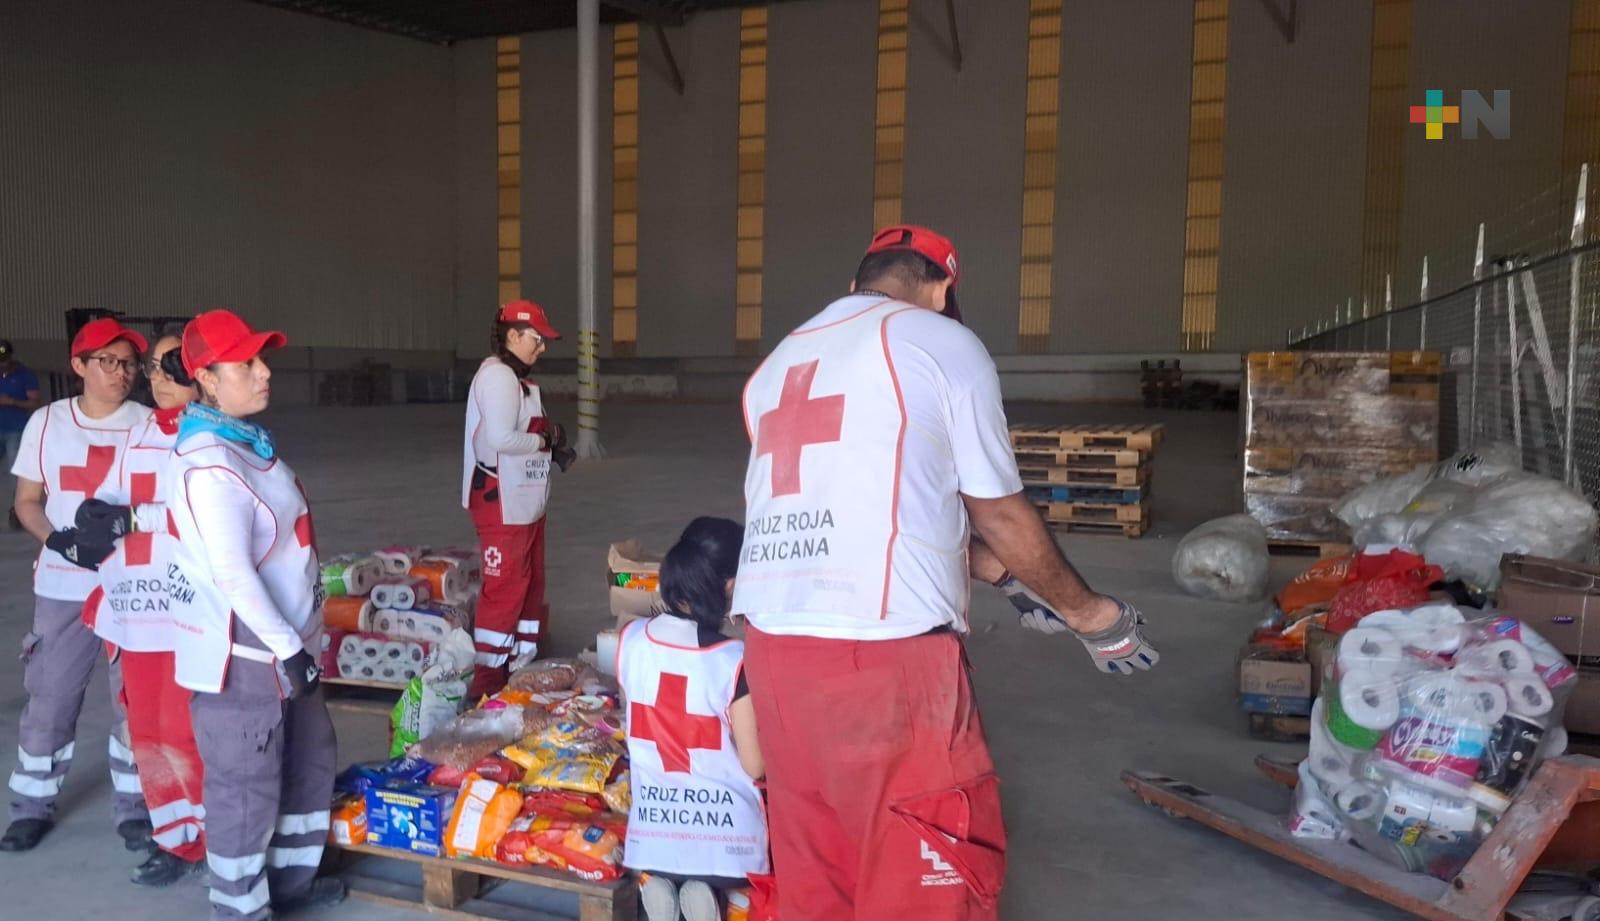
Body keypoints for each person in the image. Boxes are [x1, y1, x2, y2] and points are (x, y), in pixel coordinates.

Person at [733, 225, 1160, 920]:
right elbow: (996, 510)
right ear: (940, 289)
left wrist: (1009, 580)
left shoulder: (778, 363)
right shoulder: (939, 340)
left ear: (856, 287)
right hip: (885, 663)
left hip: (773, 661)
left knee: (819, 880)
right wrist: (1091, 615)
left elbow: (881, 509)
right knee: (925, 878)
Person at [163, 310, 342, 920]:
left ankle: (291, 883)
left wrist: (303, 644)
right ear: (208, 379)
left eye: (263, 359)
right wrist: (288, 650)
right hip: (249, 659)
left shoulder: (245, 444)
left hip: (292, 647)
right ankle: (241, 905)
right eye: (246, 364)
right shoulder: (209, 464)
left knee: (306, 764)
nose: (264, 373)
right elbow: (232, 573)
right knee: (246, 787)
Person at [1, 318, 152, 853]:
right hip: (63, 585)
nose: (120, 373)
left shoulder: (149, 425)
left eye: (129, 363)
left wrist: (128, 523)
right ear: (79, 366)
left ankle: (136, 807)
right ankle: (31, 805)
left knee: (134, 700)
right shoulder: (47, 422)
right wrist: (59, 542)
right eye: (107, 361)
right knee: (51, 695)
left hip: (132, 584)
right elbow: (26, 502)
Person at [80, 334, 205, 886]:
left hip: (188, 616)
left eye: (172, 365)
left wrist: (134, 519)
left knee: (187, 733)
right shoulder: (141, 433)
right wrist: (93, 513)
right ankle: (173, 839)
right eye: (152, 366)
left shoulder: (218, 438)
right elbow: (110, 495)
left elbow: (207, 516)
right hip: (138, 614)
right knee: (149, 732)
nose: (157, 377)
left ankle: (210, 840)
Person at [617, 517, 768, 921]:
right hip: (727, 846)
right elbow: (755, 764)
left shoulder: (630, 641)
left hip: (652, 837)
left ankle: (659, 887)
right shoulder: (733, 659)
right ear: (731, 586)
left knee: (664, 871)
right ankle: (714, 898)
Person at [462, 300, 574, 698]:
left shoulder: (519, 380)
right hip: (502, 504)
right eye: (536, 338)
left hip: (526, 504)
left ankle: (521, 664)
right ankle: (487, 681)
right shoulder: (497, 378)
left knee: (529, 584)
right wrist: (543, 440)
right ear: (512, 336)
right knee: (506, 588)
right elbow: (500, 439)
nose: (542, 346)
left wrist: (551, 445)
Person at [0, 339, 42, 529]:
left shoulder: (25, 375)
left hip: (15, 430)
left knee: (15, 473)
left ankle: (16, 511)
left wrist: (12, 402)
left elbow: (34, 403)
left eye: (4, 359)